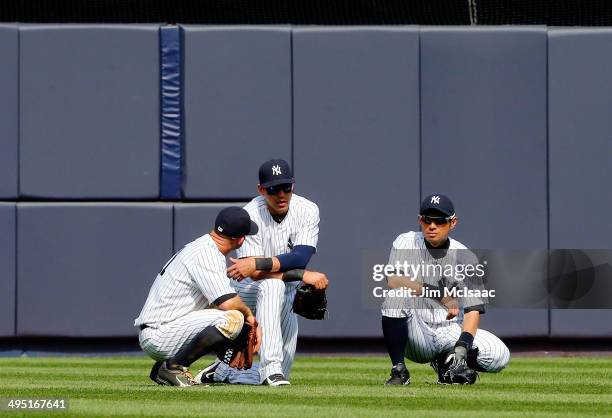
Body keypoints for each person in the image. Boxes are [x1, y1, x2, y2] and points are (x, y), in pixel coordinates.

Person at [196, 158, 329, 386]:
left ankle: (222, 372)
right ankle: (270, 368)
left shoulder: (307, 209)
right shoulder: (250, 214)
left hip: (286, 290)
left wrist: (258, 263)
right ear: (261, 189)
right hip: (247, 290)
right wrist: (300, 275)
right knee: (271, 285)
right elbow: (254, 275)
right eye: (273, 188)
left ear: (293, 186)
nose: (281, 194)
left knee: (284, 375)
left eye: (286, 187)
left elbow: (300, 257)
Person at [381, 194, 510, 385]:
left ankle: (447, 364)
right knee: (395, 296)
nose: (432, 226)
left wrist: (463, 345)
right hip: (418, 333)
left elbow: (473, 309)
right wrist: (439, 294)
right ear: (420, 220)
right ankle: (399, 371)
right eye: (427, 219)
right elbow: (393, 280)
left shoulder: (466, 257)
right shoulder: (406, 242)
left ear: (453, 222)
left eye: (440, 221)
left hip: (450, 330)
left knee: (500, 355)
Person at [134, 206, 261, 386]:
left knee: (232, 315)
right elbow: (228, 303)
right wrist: (249, 317)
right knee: (234, 318)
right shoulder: (207, 253)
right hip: (160, 334)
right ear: (241, 240)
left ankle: (163, 368)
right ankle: (173, 367)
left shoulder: (203, 246)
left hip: (162, 329)